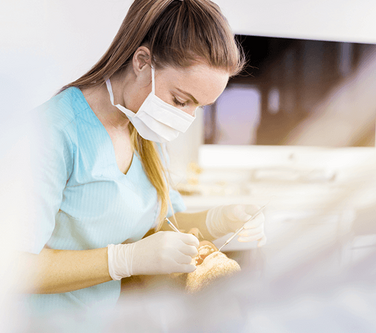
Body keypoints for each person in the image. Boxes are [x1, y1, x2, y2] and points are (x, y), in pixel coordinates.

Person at [19, 0, 266, 314]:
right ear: (141, 62)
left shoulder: (143, 127)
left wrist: (217, 220)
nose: (186, 118)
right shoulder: (52, 132)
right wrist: (124, 260)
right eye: (180, 100)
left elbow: (161, 224)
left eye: (198, 107)